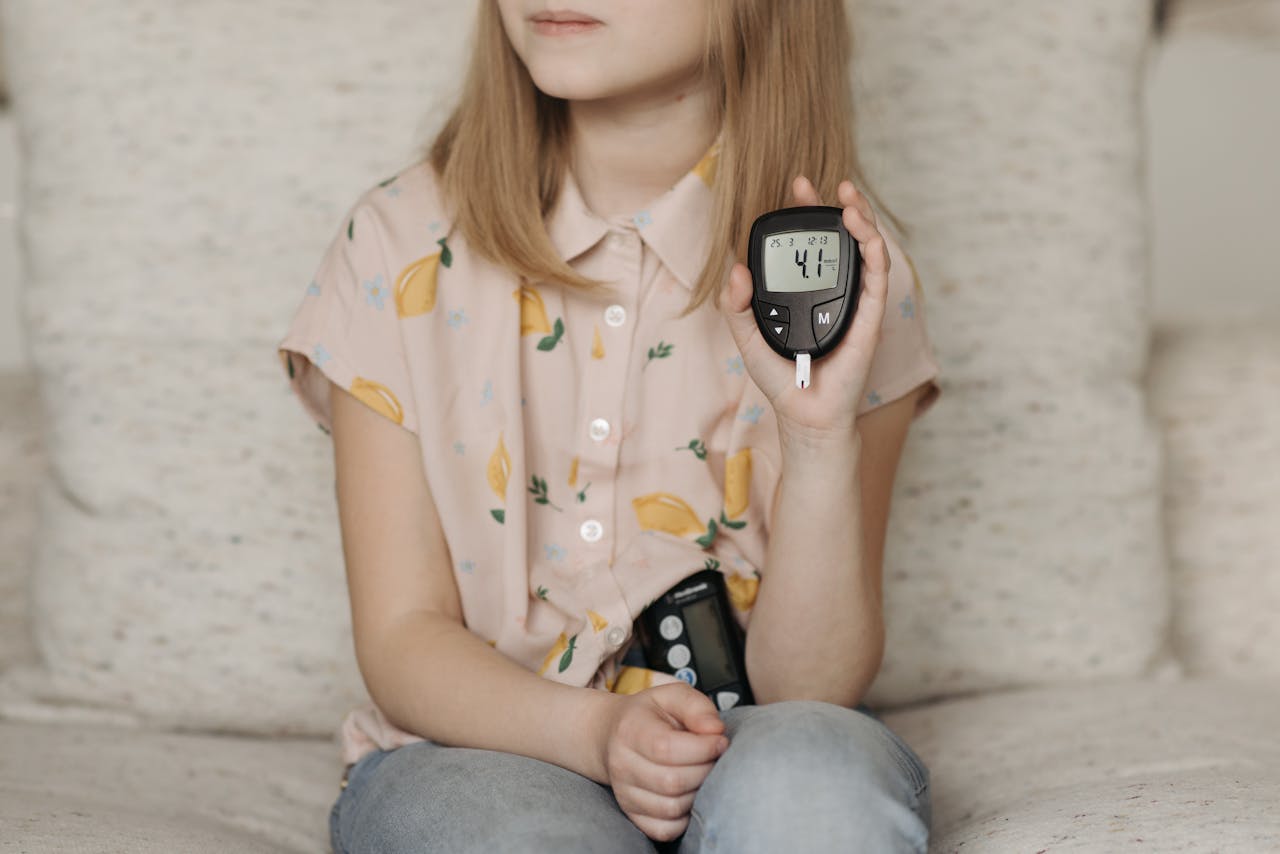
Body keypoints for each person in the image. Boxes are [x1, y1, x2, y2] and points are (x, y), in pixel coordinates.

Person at [276, 1, 941, 851]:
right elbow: (404, 638)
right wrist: (595, 733)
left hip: (755, 735)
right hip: (482, 751)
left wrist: (817, 441)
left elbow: (810, 685)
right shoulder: (396, 247)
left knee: (809, 786)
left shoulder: (842, 277)